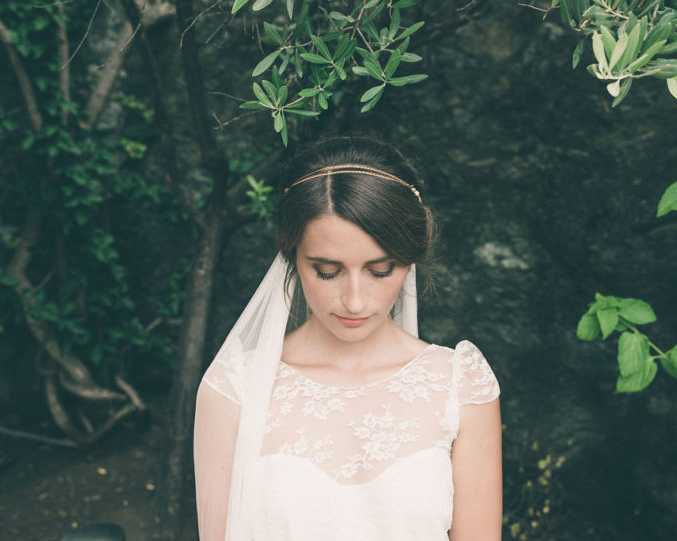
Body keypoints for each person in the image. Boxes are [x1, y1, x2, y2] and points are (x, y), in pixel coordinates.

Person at [193, 136, 502, 541]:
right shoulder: (235, 389)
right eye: (327, 270)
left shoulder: (460, 384)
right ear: (292, 257)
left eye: (380, 270)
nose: (355, 301)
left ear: (410, 260)